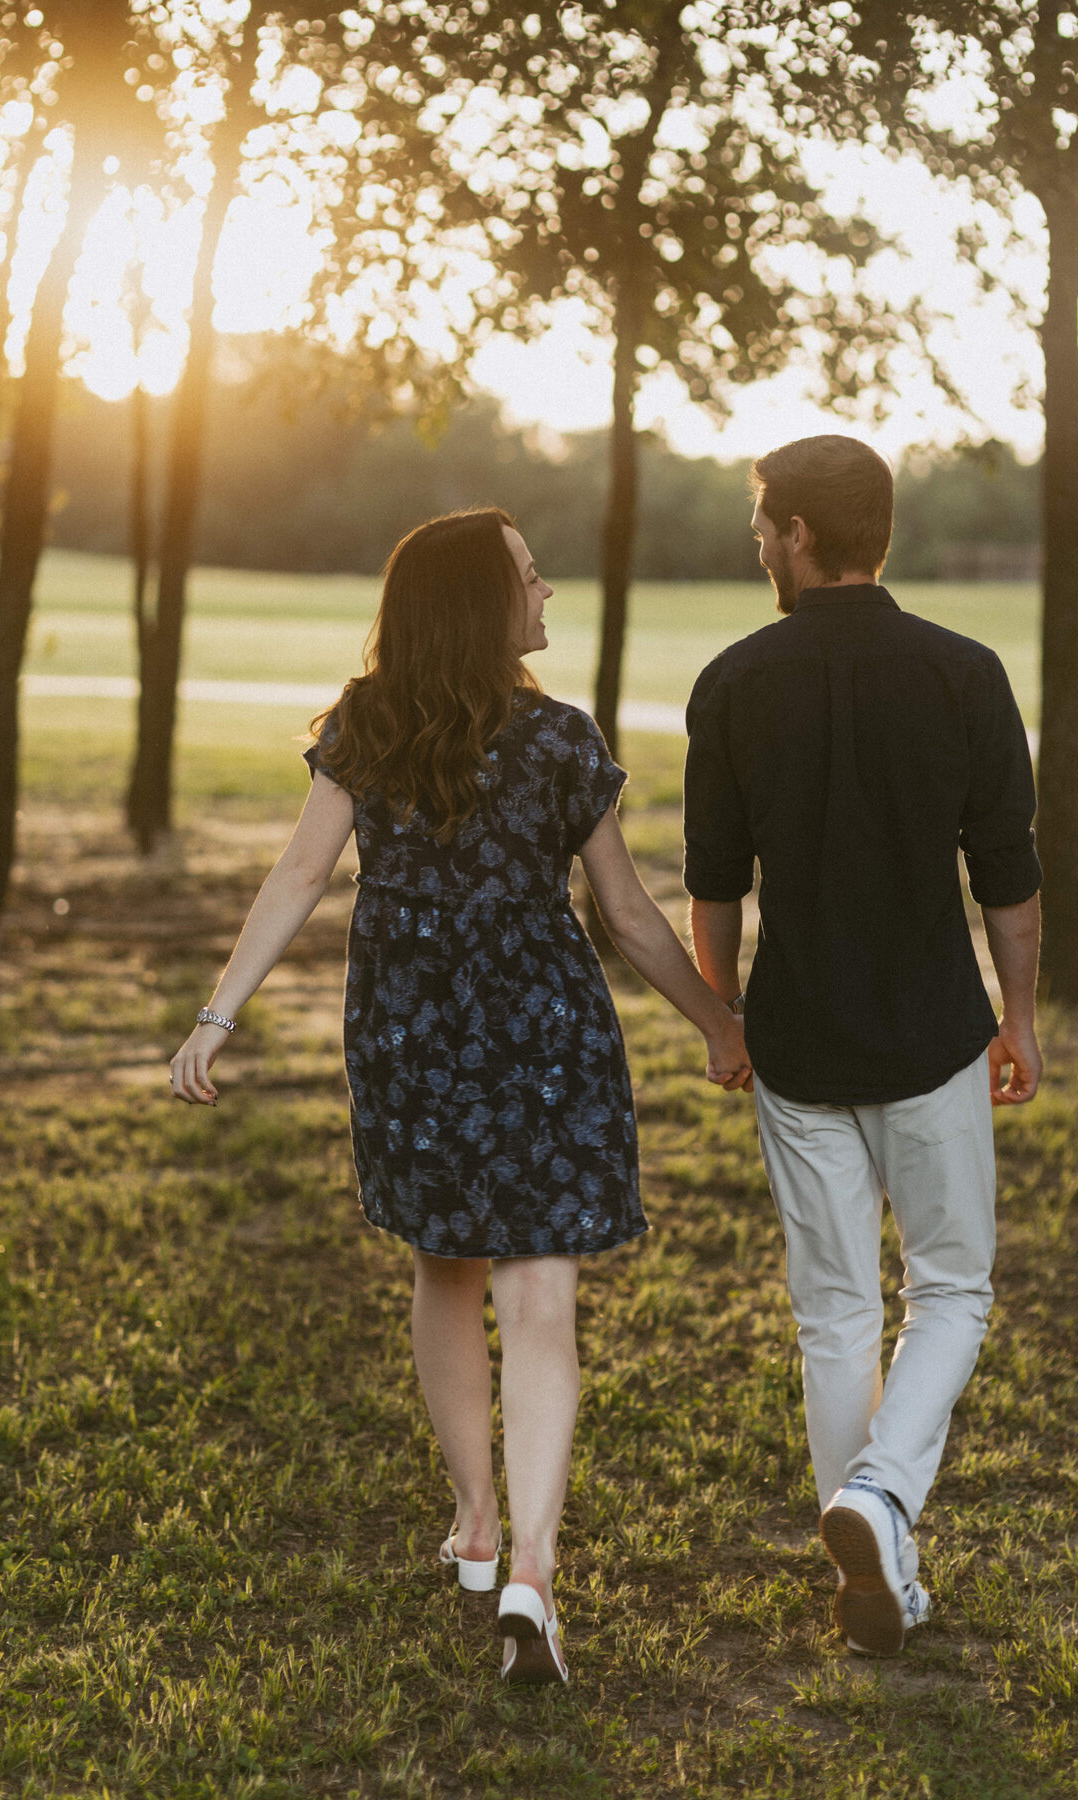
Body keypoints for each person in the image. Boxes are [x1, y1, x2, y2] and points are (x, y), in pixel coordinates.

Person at [170, 507, 751, 1685]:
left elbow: (298, 875)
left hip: (413, 1032)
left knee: (446, 1268)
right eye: (530, 580)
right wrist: (720, 1024)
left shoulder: (363, 727)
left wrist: (215, 1016)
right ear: (483, 604)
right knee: (543, 1296)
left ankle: (479, 1528)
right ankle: (533, 1568)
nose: (547, 598)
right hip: (545, 1032)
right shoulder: (562, 741)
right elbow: (628, 917)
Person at [681, 434, 1043, 1657]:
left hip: (796, 1041)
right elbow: (1010, 880)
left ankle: (876, 1543)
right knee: (950, 1290)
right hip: (937, 1033)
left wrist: (724, 1017)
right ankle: (882, 1509)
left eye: (761, 527)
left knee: (832, 1315)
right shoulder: (966, 673)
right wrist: (1023, 1018)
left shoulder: (732, 681)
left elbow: (714, 888)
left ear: (796, 537)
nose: (758, 546)